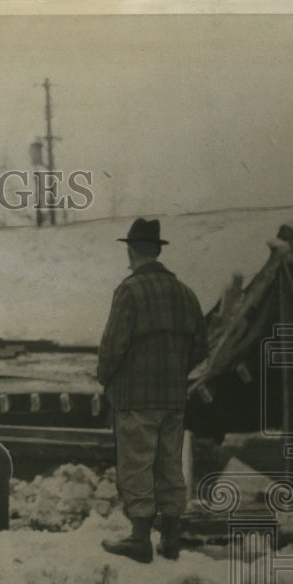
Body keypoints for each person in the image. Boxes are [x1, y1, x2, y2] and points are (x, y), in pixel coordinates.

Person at [97, 218, 208, 563]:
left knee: (136, 465)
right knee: (170, 466)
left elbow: (112, 347)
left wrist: (106, 378)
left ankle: (140, 539)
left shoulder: (129, 291)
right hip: (173, 400)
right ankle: (171, 539)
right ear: (158, 250)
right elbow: (202, 347)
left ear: (132, 252)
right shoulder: (186, 294)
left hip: (135, 398)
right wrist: (176, 372)